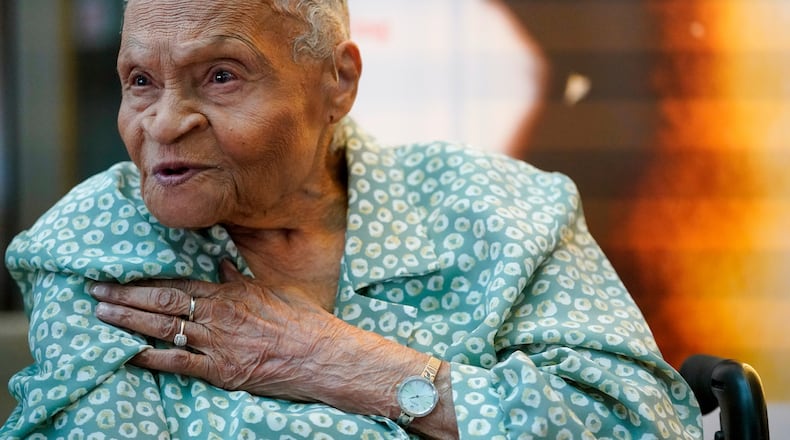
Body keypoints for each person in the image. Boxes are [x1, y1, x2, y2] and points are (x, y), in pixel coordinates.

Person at [1, 0, 703, 438]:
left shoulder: (504, 212)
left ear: (338, 81)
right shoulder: (96, 245)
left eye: (221, 75)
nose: (164, 122)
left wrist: (331, 360)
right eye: (140, 82)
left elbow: (639, 424)